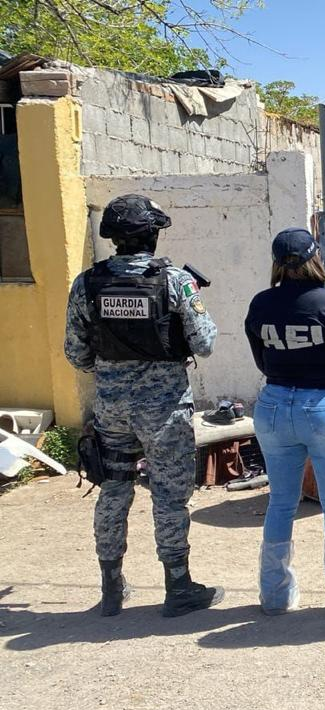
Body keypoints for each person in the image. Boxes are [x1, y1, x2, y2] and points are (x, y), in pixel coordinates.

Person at [64, 194, 222, 618]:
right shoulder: (174, 281)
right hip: (164, 411)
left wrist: (112, 371)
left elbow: (75, 353)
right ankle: (178, 586)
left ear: (113, 237)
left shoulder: (87, 283)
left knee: (113, 489)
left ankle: (111, 587)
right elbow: (205, 343)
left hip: (112, 409)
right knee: (169, 495)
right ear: (152, 235)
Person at [243, 228, 325, 617]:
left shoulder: (261, 303)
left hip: (273, 404)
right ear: (316, 258)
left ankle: (275, 595)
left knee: (281, 502)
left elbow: (260, 357)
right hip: (323, 405)